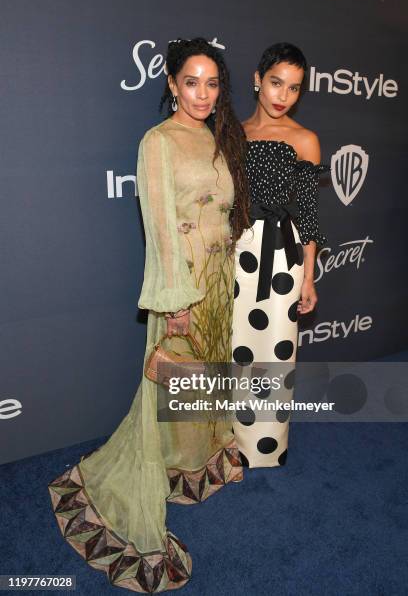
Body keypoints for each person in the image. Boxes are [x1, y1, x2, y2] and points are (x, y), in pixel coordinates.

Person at [48, 37, 249, 593]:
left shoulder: (213, 135)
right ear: (171, 84)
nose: (203, 94)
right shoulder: (157, 142)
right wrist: (177, 301)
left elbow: (224, 217)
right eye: (192, 82)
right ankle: (119, 485)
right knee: (164, 388)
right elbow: (159, 226)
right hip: (182, 290)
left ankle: (190, 467)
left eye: (212, 84)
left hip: (219, 286)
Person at [232, 42, 327, 468]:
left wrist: (308, 277)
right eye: (275, 82)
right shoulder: (232, 132)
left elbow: (308, 214)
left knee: (274, 351)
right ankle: (228, 445)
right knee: (235, 349)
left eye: (293, 88)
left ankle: (265, 448)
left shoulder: (304, 139)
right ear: (257, 79)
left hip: (282, 258)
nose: (282, 95)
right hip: (237, 252)